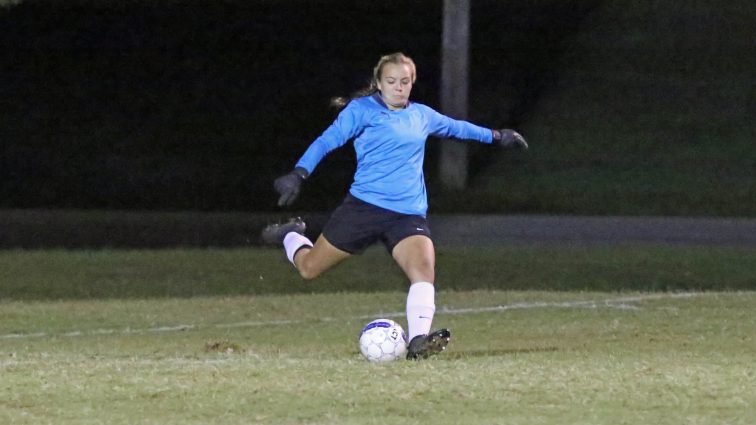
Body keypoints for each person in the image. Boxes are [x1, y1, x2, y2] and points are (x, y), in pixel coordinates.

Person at [262, 52, 527, 360]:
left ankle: (417, 342)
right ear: (378, 83)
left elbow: (458, 128)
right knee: (308, 269)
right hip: (363, 209)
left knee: (423, 270)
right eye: (391, 81)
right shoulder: (361, 111)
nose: (398, 88)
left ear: (412, 83)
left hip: (407, 214)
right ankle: (290, 235)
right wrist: (299, 173)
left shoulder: (422, 116)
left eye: (405, 82)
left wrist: (498, 136)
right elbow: (326, 141)